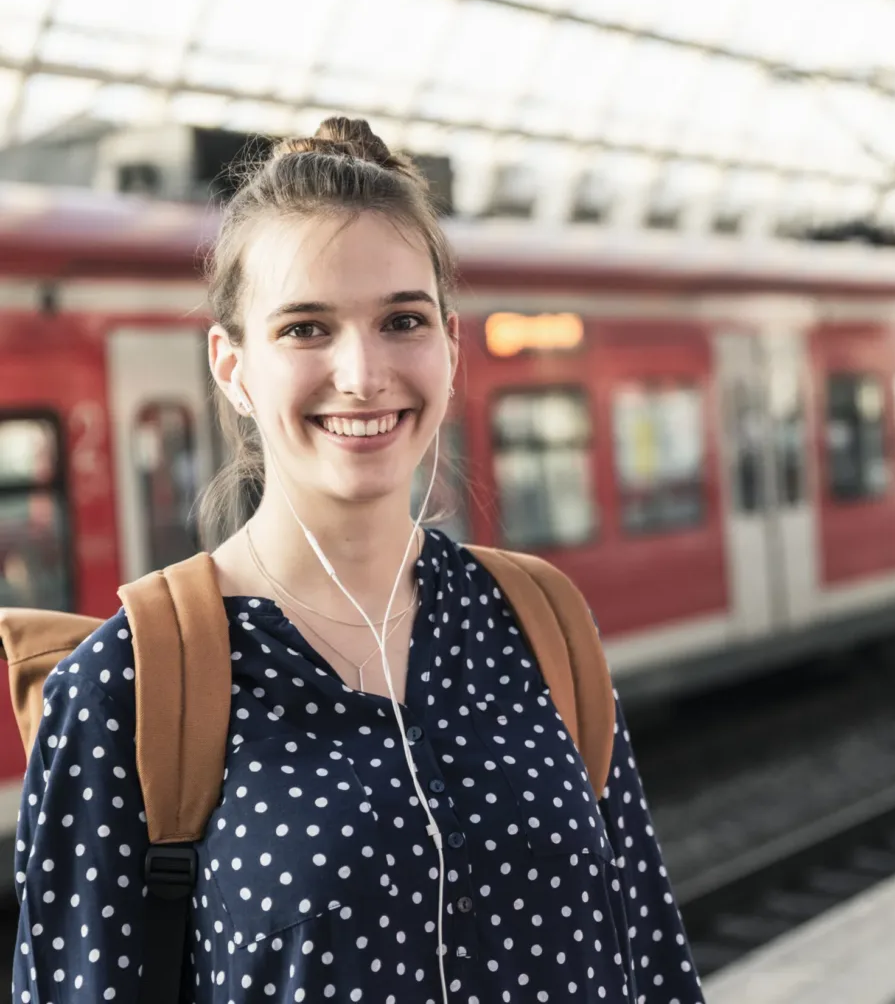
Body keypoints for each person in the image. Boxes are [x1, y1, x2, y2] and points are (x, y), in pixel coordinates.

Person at [12, 118, 705, 1004]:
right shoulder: (130, 688)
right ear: (232, 367)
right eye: (306, 328)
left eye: (402, 320)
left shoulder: (538, 623)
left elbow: (649, 959)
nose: (364, 373)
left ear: (451, 345)